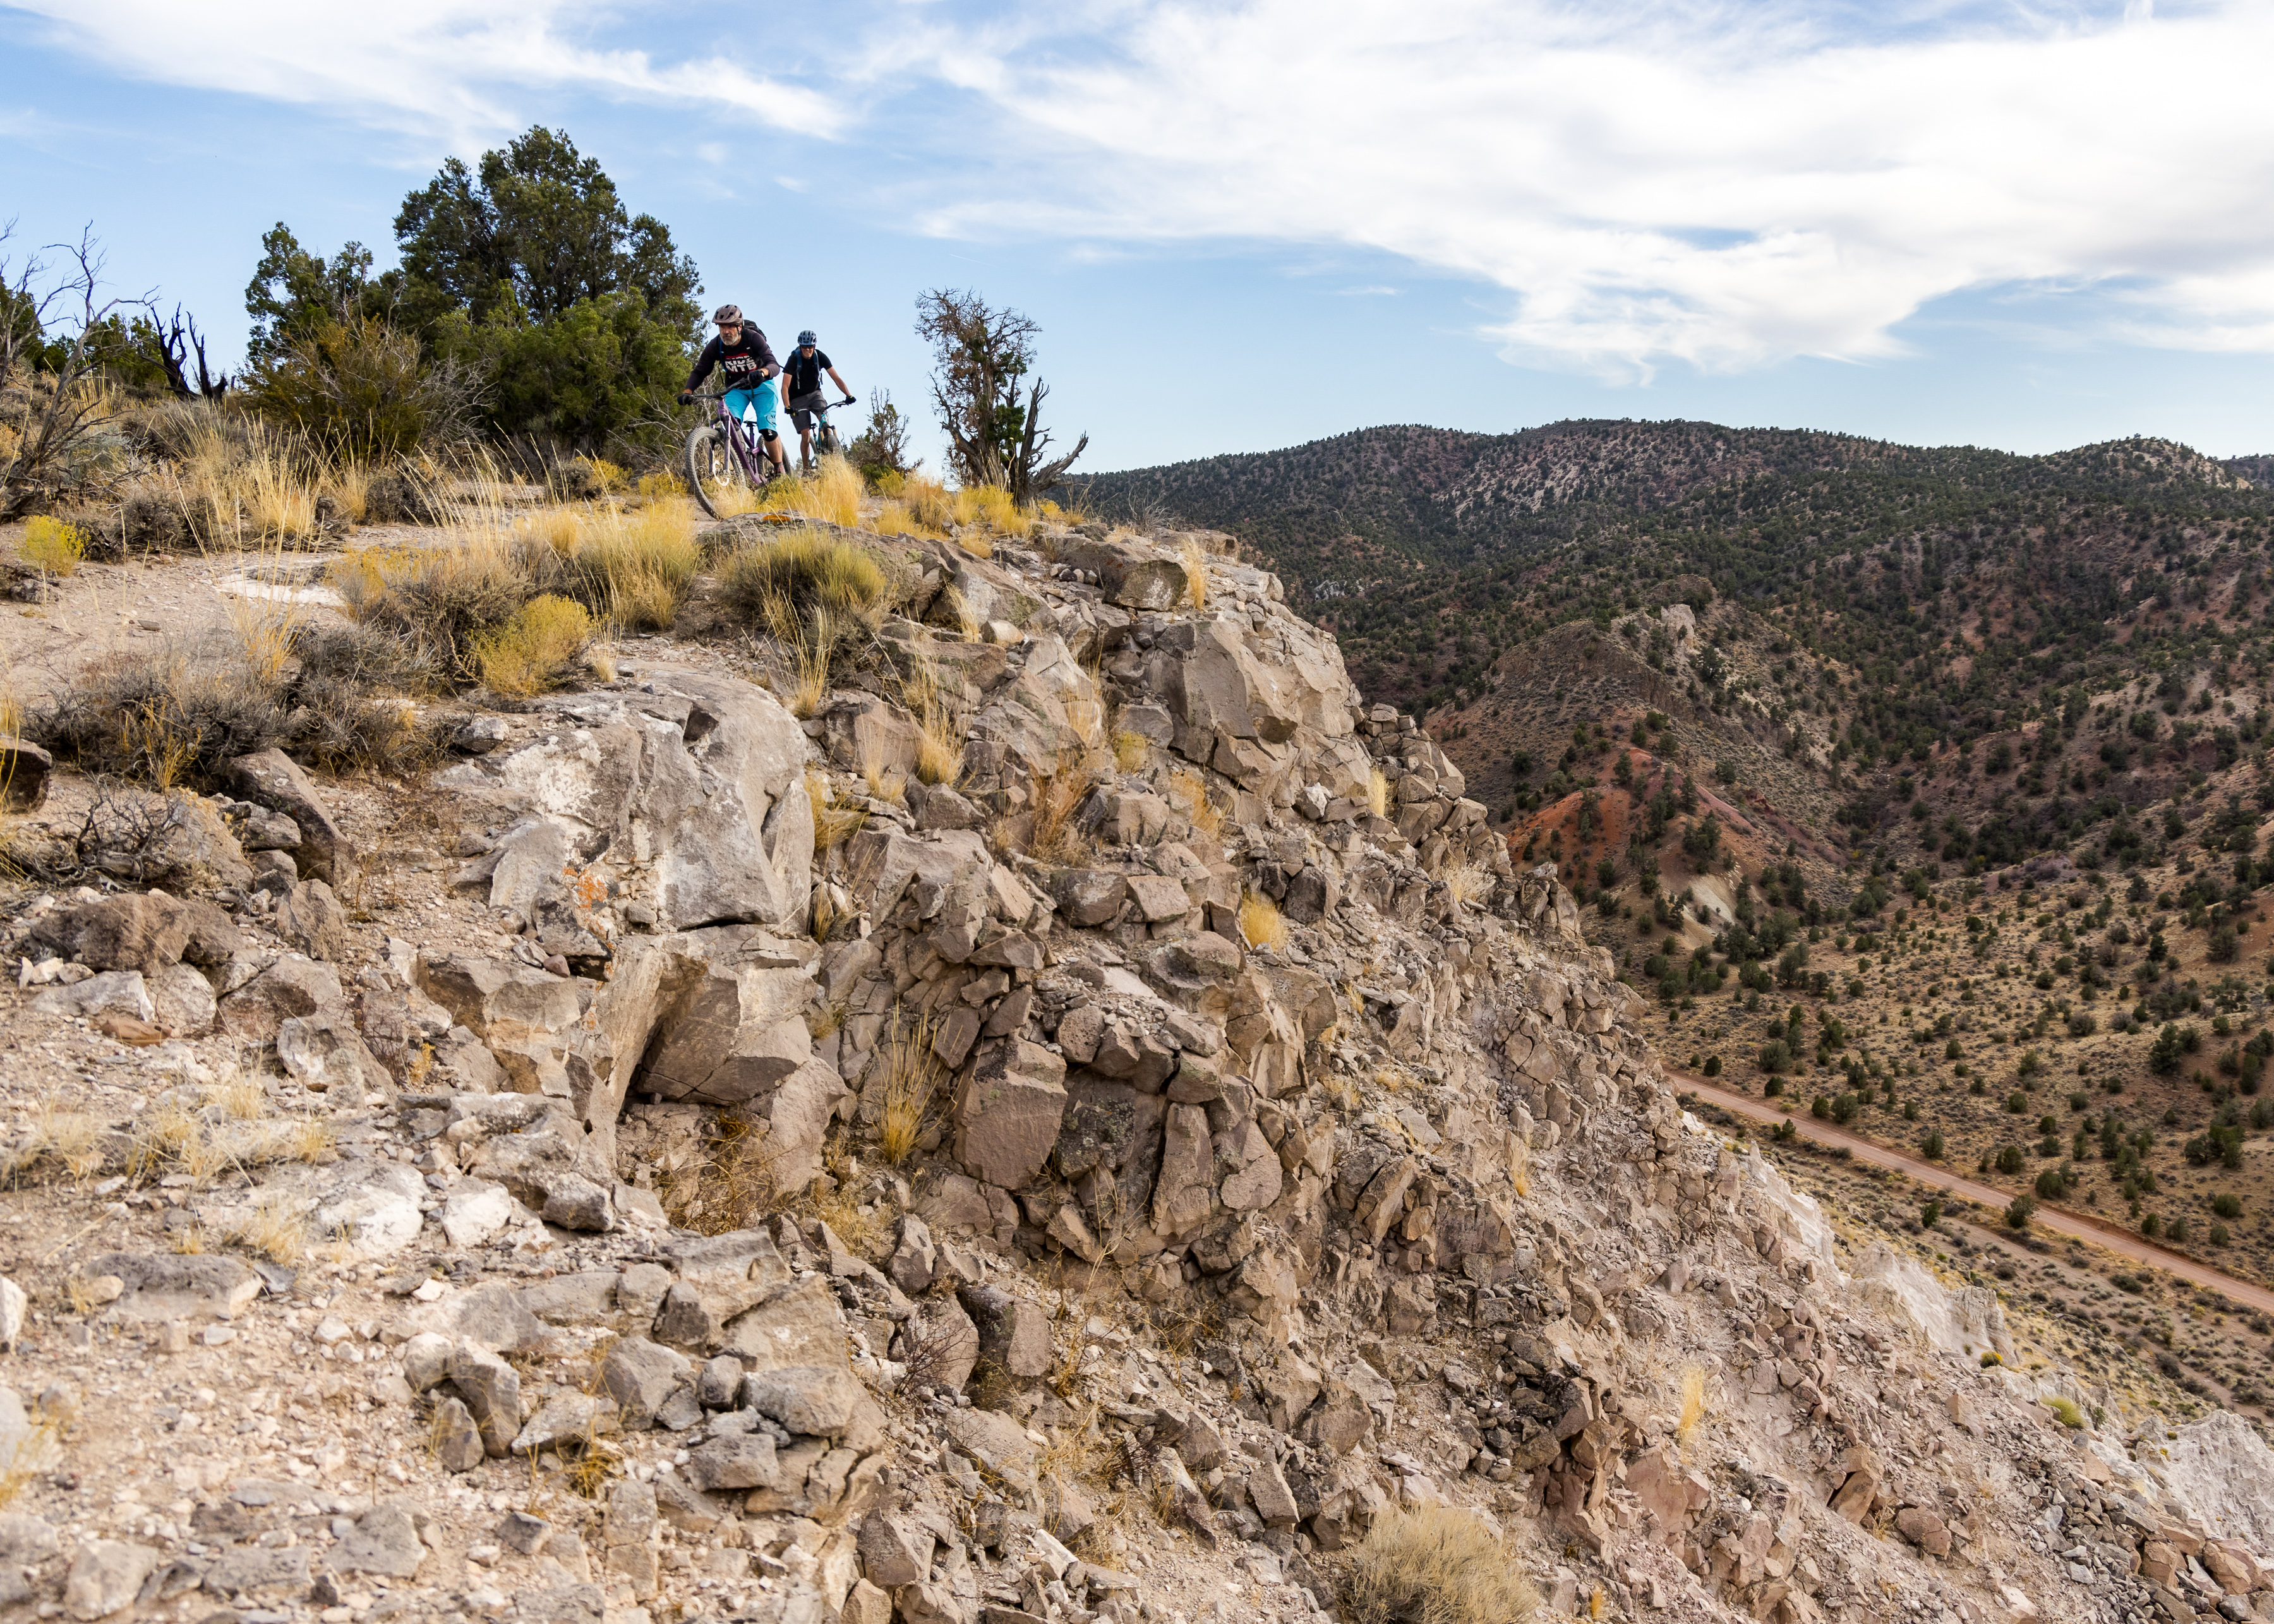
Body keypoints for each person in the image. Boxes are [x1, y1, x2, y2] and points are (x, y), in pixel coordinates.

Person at [680, 305, 785, 476]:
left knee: (767, 428)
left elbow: (773, 364)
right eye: (722, 327)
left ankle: (779, 470)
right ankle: (743, 468)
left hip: (762, 387)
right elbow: (700, 371)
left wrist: (763, 372)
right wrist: (688, 391)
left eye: (730, 326)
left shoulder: (753, 339)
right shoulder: (716, 345)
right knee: (730, 425)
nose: (726, 331)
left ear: (739, 327)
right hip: (736, 389)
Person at [781, 330, 853, 472]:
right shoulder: (794, 359)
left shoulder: (820, 357)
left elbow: (836, 378)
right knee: (806, 434)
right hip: (796, 399)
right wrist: (787, 406)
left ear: (814, 346)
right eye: (804, 347)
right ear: (800, 346)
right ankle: (807, 470)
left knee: (825, 422)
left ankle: (832, 452)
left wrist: (848, 395)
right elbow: (785, 386)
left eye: (810, 346)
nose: (807, 349)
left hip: (815, 394)